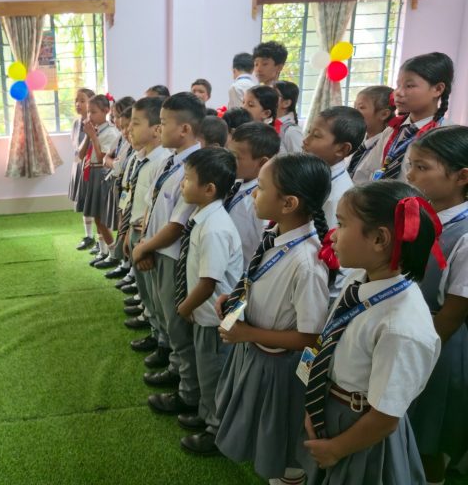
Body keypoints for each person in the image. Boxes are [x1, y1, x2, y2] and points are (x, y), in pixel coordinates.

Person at [299, 181, 442, 485]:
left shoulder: (401, 327)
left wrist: (337, 448)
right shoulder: (359, 279)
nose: (332, 234)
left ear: (379, 239)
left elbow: (386, 418)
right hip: (334, 406)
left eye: (341, 224)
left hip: (359, 430)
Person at [213, 153, 332, 485]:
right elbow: (261, 283)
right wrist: (236, 300)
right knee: (262, 433)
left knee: (280, 444)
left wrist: (248, 332)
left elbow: (311, 337)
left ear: (289, 203)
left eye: (261, 188)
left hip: (280, 368)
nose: (253, 193)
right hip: (256, 351)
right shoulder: (277, 236)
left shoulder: (307, 263)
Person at [131, 93, 205, 411]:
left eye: (164, 123)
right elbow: (153, 205)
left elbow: (177, 225)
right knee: (165, 317)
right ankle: (177, 372)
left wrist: (144, 246)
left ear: (185, 128)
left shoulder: (197, 169)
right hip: (158, 249)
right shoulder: (171, 161)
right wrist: (145, 242)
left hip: (174, 255)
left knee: (178, 326)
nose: (159, 129)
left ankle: (189, 393)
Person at [406, 126, 468, 485]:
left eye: (422, 167)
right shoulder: (419, 215)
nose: (411, 175)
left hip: (437, 345)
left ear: (462, 177)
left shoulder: (462, 235)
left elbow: (454, 313)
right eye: (411, 165)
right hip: (411, 332)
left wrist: (416, 352)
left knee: (429, 434)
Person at [174, 147, 243, 455]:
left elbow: (209, 281)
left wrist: (184, 307)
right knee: (206, 371)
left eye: (187, 179)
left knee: (214, 374)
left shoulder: (214, 227)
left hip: (215, 318)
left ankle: (217, 431)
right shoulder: (205, 217)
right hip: (206, 314)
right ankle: (206, 417)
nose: (182, 185)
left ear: (209, 189)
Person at [123, 97, 172, 360]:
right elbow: (133, 198)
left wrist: (145, 243)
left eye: (136, 123)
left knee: (156, 294)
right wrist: (127, 235)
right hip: (136, 231)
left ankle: (164, 342)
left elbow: (157, 211)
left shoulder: (161, 162)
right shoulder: (141, 157)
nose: (129, 128)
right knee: (146, 291)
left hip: (149, 237)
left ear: (156, 129)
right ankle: (155, 332)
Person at [354, 52, 453, 182]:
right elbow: (365, 174)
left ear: (438, 89)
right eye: (398, 85)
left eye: (409, 86)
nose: (398, 93)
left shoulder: (448, 137)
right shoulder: (391, 131)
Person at [225, 122, 281, 266]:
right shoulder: (236, 182)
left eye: (236, 157)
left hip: (241, 274)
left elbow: (263, 243)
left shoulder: (262, 198)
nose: (229, 160)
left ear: (262, 163)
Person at [302, 106, 366, 229]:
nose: (305, 140)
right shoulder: (316, 176)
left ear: (342, 149)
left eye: (316, 135)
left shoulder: (337, 197)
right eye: (309, 132)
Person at [78, 94, 121, 265]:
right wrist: (89, 136)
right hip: (92, 173)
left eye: (93, 112)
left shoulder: (110, 132)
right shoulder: (95, 130)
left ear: (106, 111)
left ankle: (113, 254)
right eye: (88, 113)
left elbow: (104, 156)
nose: (90, 117)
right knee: (96, 216)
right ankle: (104, 251)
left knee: (102, 218)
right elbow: (81, 155)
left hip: (102, 175)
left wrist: (94, 138)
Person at [98, 98, 136, 270]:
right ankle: (124, 262)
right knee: (122, 221)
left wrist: (113, 163)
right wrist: (113, 163)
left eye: (119, 115)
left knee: (130, 226)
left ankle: (129, 266)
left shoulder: (131, 139)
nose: (116, 120)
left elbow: (120, 164)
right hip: (121, 186)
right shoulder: (120, 137)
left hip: (127, 186)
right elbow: (107, 157)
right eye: (114, 116)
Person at [347, 86, 394, 183]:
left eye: (361, 107)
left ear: (384, 114)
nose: (354, 112)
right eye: (354, 106)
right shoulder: (357, 139)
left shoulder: (387, 147)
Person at [71, 88, 96, 250]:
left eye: (82, 100)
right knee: (84, 202)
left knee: (94, 203)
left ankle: (101, 242)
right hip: (80, 165)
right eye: (76, 101)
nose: (78, 104)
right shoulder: (76, 123)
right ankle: (89, 236)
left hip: (92, 167)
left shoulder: (95, 123)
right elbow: (76, 147)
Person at [273, 81, 304, 154]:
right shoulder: (272, 124)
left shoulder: (292, 131)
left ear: (286, 103)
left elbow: (299, 162)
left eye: (274, 95)